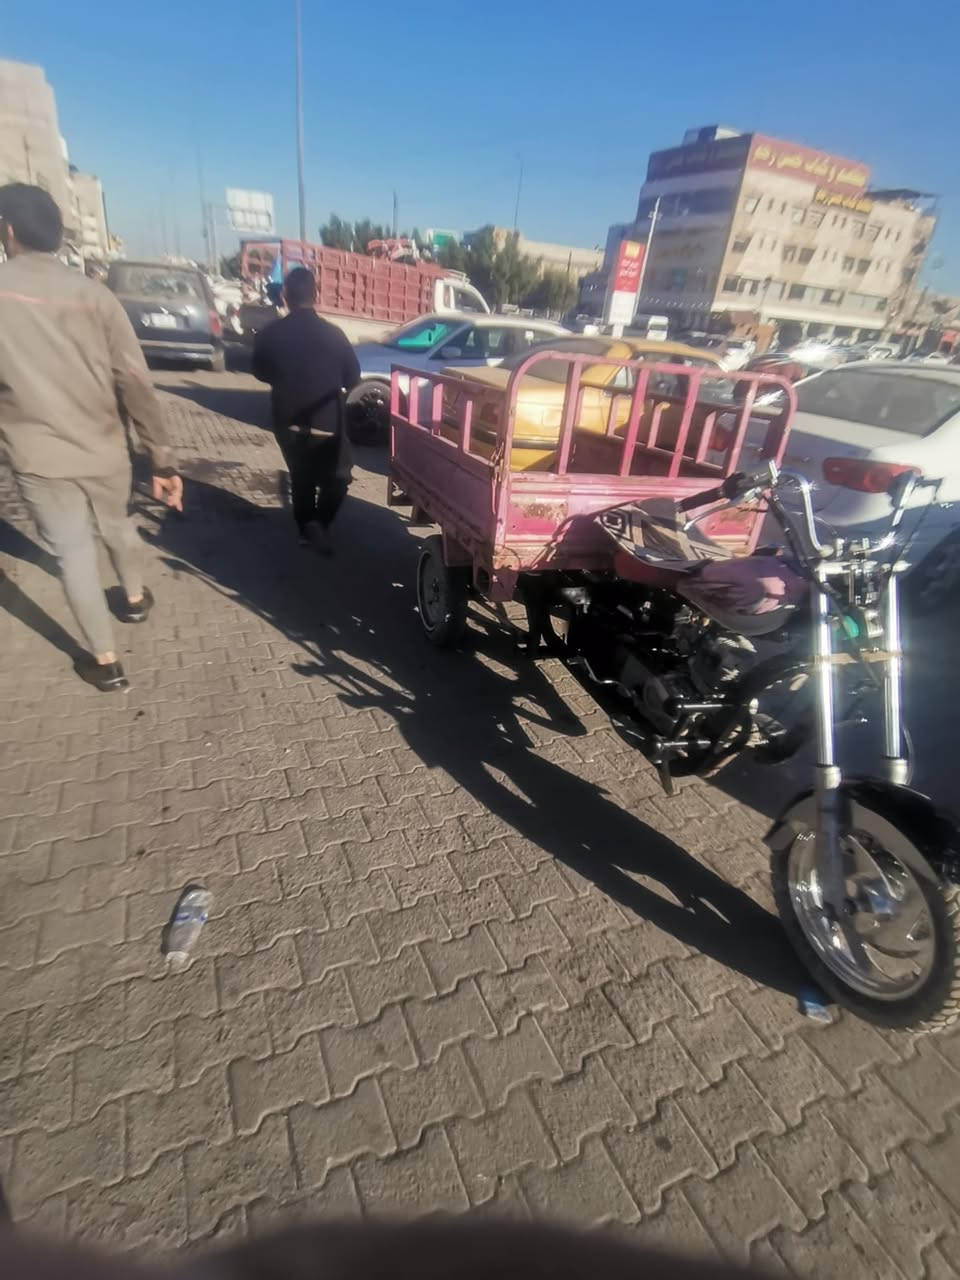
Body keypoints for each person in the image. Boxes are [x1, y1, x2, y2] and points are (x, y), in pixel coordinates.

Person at [0, 183, 182, 692]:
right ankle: (135, 598)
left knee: (73, 555)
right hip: (105, 447)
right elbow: (135, 381)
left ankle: (105, 661)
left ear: (8, 230)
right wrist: (162, 459)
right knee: (118, 526)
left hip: (38, 457)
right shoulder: (96, 297)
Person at [252, 266, 360, 551]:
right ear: (316, 295)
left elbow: (259, 371)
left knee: (301, 475)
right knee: (339, 476)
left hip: (286, 420)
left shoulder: (269, 334)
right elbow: (353, 378)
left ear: (285, 297)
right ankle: (319, 524)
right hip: (328, 422)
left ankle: (306, 529)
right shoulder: (334, 335)